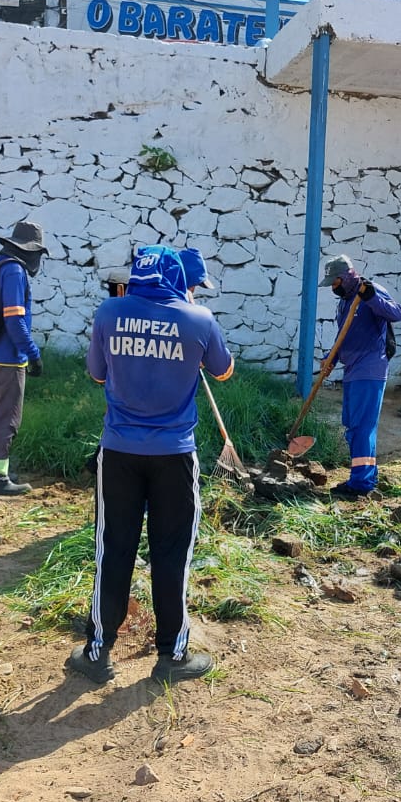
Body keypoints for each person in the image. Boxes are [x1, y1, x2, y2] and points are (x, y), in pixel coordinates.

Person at [71, 245, 234, 686]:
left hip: (119, 452)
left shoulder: (109, 311)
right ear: (177, 279)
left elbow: (98, 373)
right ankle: (171, 656)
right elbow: (223, 371)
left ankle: (97, 651)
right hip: (174, 455)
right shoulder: (198, 319)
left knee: (114, 549)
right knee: (171, 552)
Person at [0, 221, 47, 496]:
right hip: (7, 358)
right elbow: (15, 320)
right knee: (8, 418)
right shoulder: (14, 271)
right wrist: (33, 353)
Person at [323, 255, 401, 499]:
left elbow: (396, 314)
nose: (332, 287)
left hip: (370, 368)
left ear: (347, 276)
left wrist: (371, 298)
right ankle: (365, 474)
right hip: (352, 369)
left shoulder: (370, 291)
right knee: (352, 423)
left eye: (335, 281)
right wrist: (331, 358)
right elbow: (344, 335)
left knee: (362, 426)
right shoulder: (345, 302)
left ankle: (361, 484)